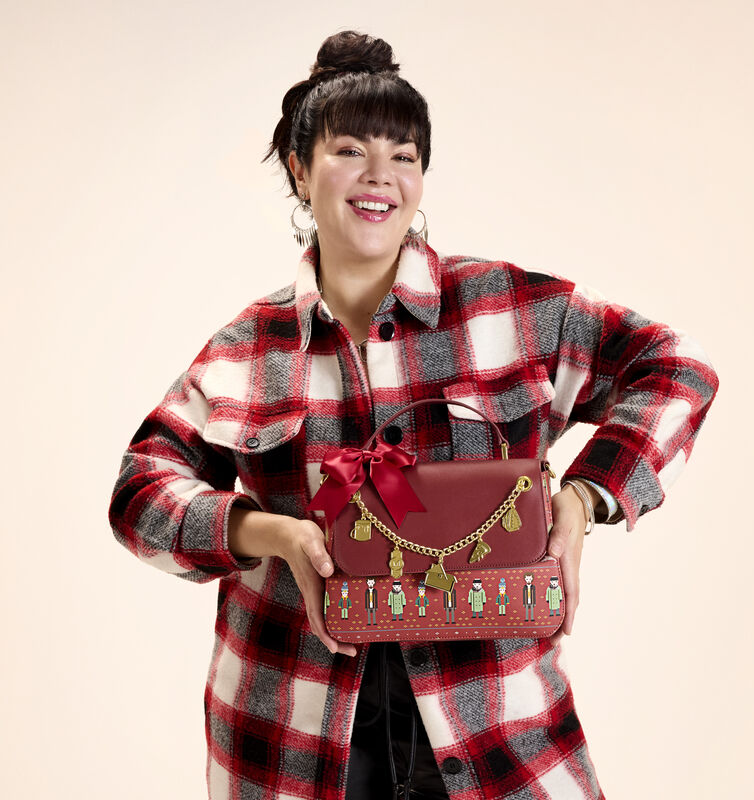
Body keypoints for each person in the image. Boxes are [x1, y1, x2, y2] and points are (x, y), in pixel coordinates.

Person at [108, 30, 718, 800]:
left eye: (404, 155)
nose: (380, 177)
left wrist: (583, 499)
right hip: (292, 746)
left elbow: (678, 367)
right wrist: (269, 533)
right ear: (299, 169)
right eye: (349, 151)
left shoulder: (513, 310)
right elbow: (140, 493)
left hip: (496, 735)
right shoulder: (246, 350)